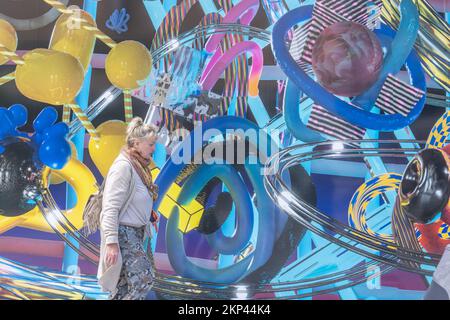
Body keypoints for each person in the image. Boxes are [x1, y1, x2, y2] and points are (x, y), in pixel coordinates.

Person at [97, 117, 159, 300]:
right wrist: (111, 242)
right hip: (124, 232)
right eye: (150, 144)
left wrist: (149, 214)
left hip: (135, 232)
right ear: (136, 143)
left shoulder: (139, 166)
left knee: (123, 287)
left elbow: (136, 198)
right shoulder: (123, 167)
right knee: (144, 279)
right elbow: (110, 207)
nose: (154, 148)